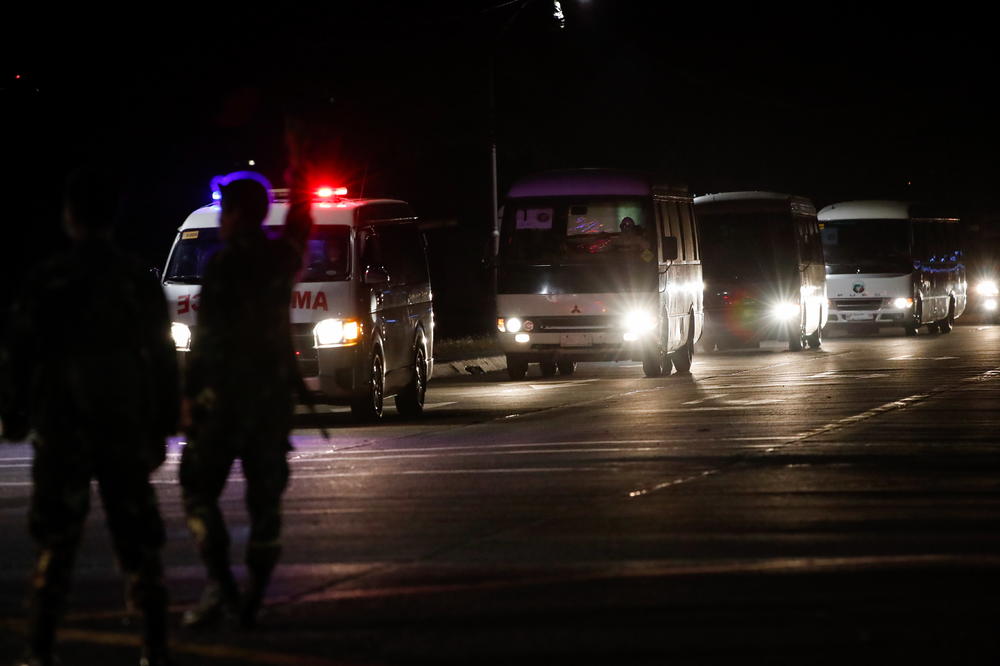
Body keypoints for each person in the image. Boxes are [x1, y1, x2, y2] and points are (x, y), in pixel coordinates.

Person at [0, 167, 179, 666]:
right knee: (139, 542)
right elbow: (162, 358)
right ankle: (156, 643)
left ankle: (41, 647)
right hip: (122, 425)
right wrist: (163, 422)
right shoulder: (134, 280)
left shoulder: (48, 279)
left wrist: (13, 415)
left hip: (62, 431)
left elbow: (16, 354)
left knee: (57, 542)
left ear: (69, 215)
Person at [179, 166, 312, 630]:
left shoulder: (222, 264)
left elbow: (208, 340)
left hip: (226, 401)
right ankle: (253, 595)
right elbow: (300, 225)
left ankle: (221, 586)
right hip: (270, 403)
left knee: (197, 491)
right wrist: (300, 171)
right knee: (265, 505)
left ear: (236, 214)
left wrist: (191, 396)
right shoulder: (282, 259)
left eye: (226, 212)